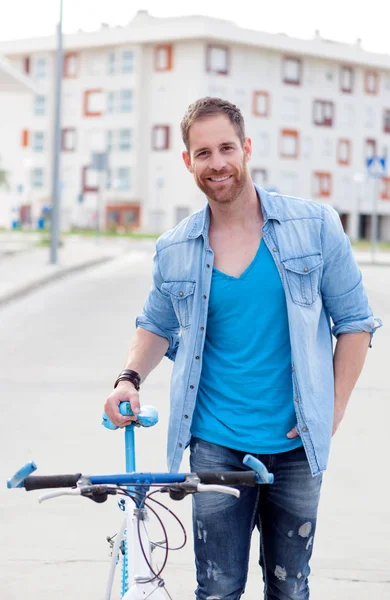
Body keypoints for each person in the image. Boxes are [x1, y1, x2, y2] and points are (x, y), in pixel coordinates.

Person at [104, 97, 381, 600]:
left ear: (246, 148)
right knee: (217, 588)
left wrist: (331, 409)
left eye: (226, 147)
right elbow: (155, 326)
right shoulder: (176, 248)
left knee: (290, 590)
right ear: (188, 161)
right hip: (216, 443)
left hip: (295, 447)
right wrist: (128, 378)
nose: (217, 163)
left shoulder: (314, 227)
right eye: (203, 152)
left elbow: (356, 324)